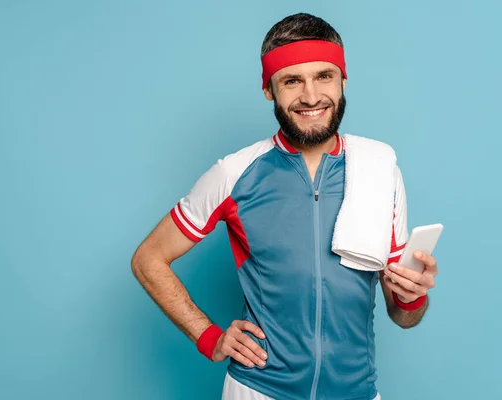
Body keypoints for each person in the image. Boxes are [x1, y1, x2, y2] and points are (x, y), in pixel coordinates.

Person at [131, 12, 438, 400]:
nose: (311, 97)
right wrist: (208, 336)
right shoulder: (234, 173)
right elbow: (149, 259)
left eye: (324, 76)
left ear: (343, 80)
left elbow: (403, 315)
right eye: (292, 81)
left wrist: (412, 295)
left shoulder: (380, 170)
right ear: (268, 89)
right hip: (259, 391)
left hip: (357, 392)